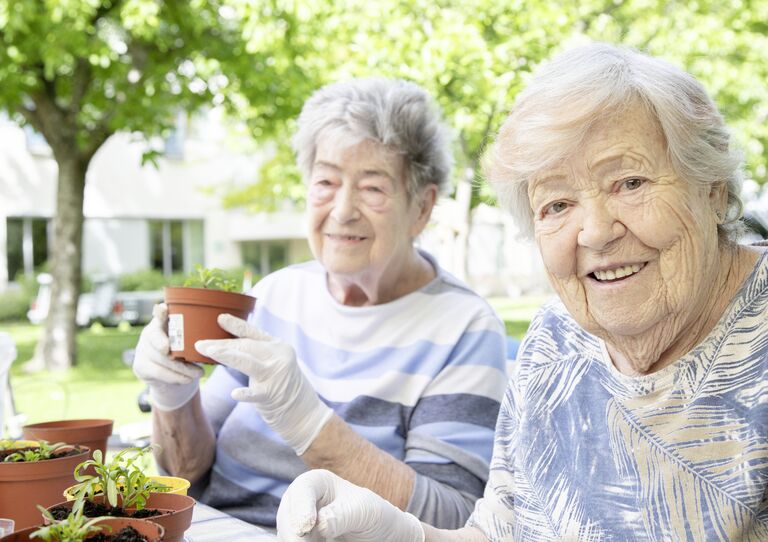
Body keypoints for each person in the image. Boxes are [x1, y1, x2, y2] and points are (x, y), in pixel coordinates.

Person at [275, 43, 768, 541]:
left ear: (712, 189)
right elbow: (498, 533)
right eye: (557, 204)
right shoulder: (555, 340)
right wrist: (404, 535)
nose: (594, 232)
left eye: (629, 182)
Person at [132, 77, 508, 529]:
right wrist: (173, 395)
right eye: (326, 181)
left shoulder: (463, 326)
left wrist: (309, 424)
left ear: (422, 208)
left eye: (372, 188)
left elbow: (453, 519)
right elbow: (185, 474)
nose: (343, 209)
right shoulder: (277, 293)